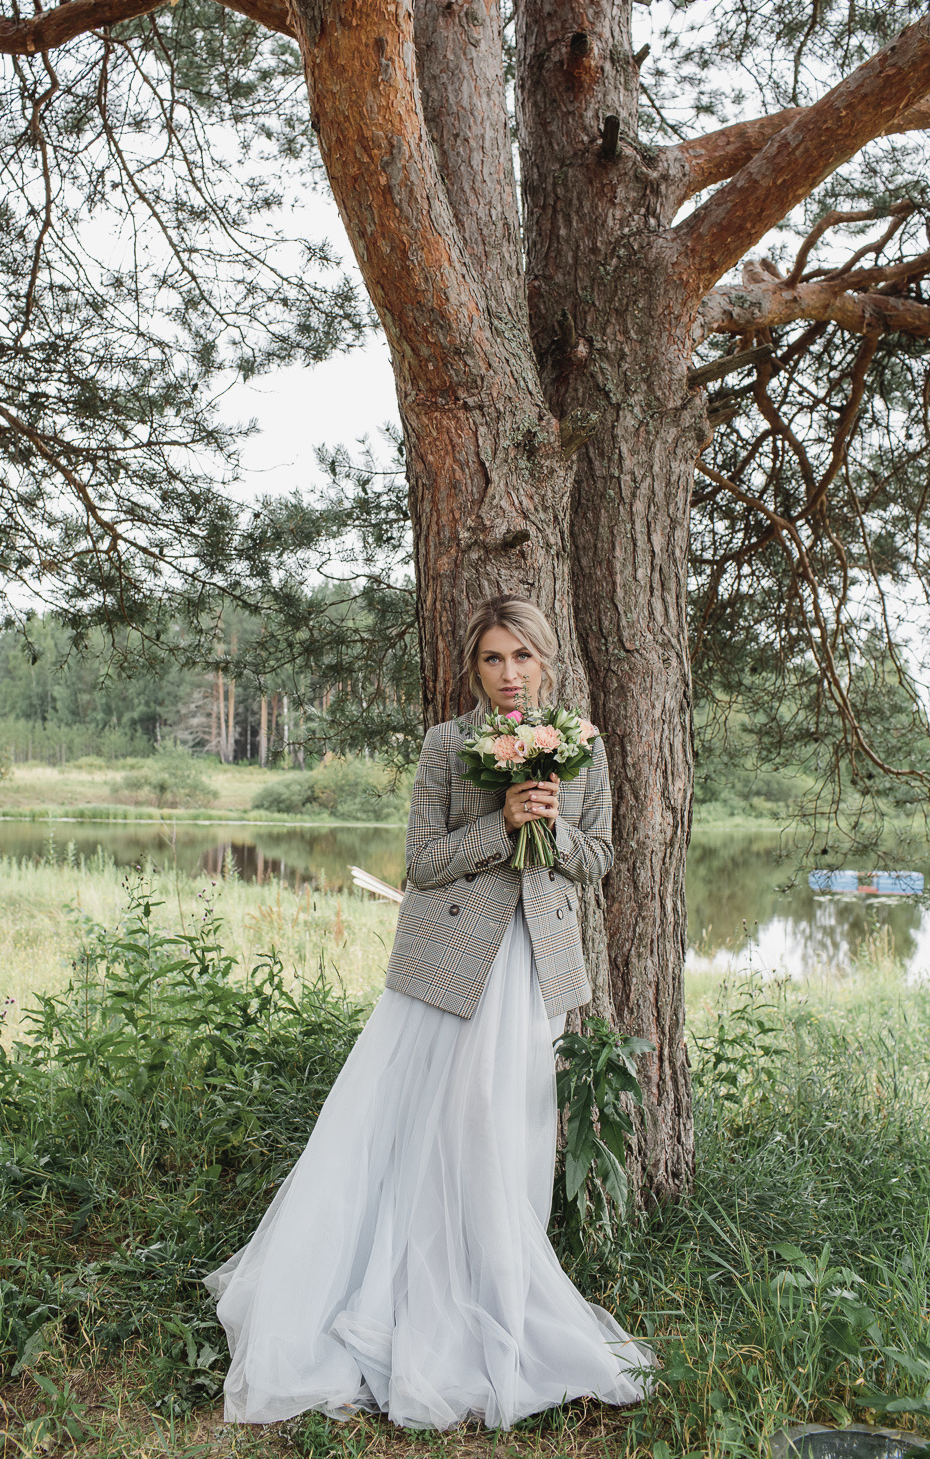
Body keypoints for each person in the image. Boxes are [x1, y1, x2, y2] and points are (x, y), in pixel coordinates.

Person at [203, 594, 653, 1428]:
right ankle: (403, 1296)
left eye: (521, 655)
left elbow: (597, 859)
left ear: (545, 660)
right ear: (473, 668)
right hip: (450, 965)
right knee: (431, 1125)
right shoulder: (447, 744)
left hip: (534, 967)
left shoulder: (582, 745)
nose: (508, 673)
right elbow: (422, 861)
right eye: (492, 658)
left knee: (506, 1128)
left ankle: (495, 1290)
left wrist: (551, 829)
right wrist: (502, 823)